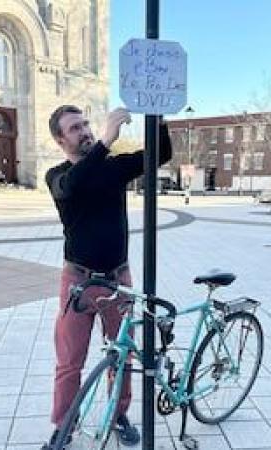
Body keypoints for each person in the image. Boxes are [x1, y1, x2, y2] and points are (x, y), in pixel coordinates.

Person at [42, 105, 172, 449]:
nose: (83, 130)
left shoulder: (113, 168)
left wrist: (158, 114)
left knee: (123, 355)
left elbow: (161, 154)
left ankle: (119, 415)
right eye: (74, 128)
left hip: (117, 278)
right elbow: (73, 186)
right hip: (78, 282)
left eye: (85, 124)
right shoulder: (58, 176)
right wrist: (103, 141)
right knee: (70, 361)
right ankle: (64, 423)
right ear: (60, 139)